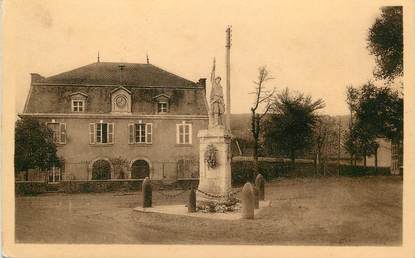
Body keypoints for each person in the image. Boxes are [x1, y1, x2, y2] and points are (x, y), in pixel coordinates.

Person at [209, 58, 225, 126]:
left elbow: (222, 95)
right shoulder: (214, 84)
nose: (218, 80)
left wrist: (223, 102)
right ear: (216, 80)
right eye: (217, 79)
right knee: (215, 111)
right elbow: (212, 75)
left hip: (220, 100)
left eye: (219, 79)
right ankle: (216, 123)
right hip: (215, 99)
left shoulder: (221, 87)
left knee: (221, 111)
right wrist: (214, 66)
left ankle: (222, 123)